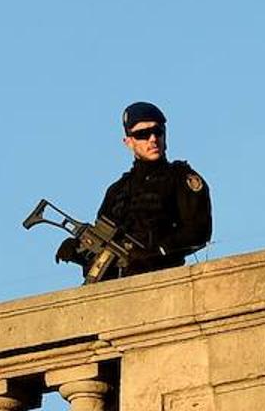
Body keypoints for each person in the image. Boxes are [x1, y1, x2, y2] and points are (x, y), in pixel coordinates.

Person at [55, 101, 212, 279]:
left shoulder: (180, 178)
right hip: (114, 286)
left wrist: (158, 251)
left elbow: (199, 230)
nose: (153, 139)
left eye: (158, 131)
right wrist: (80, 250)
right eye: (143, 134)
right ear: (128, 142)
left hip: (161, 279)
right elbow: (104, 242)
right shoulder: (116, 191)